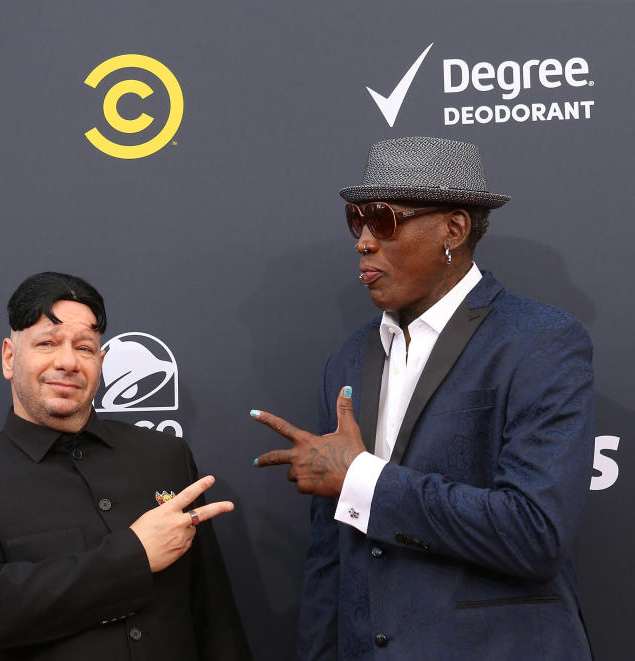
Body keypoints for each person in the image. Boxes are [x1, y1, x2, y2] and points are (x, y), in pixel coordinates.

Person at [252, 137, 594, 659]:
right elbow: (331, 557)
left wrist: (363, 478)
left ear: (452, 229)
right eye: (355, 220)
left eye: (383, 220)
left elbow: (535, 533)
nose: (363, 242)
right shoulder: (346, 361)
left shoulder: (539, 341)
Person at [0, 271, 252, 661]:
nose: (68, 362)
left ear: (101, 361)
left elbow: (213, 617)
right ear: (10, 357)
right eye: (47, 343)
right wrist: (134, 555)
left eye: (84, 347)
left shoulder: (165, 456)